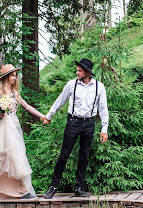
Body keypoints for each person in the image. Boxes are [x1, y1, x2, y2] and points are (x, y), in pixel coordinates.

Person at [0, 64, 46, 200]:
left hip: (13, 126)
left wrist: (42, 115)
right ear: (6, 77)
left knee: (16, 157)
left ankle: (22, 191)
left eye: (15, 75)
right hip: (1, 127)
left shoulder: (14, 92)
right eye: (12, 75)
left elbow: (26, 105)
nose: (14, 78)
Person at [41, 58, 109, 199]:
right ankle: (53, 187)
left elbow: (103, 108)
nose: (77, 73)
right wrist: (49, 116)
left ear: (87, 72)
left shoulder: (99, 86)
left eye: (79, 70)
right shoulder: (71, 85)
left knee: (84, 156)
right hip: (73, 122)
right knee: (64, 154)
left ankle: (78, 187)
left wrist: (104, 129)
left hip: (89, 124)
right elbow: (60, 100)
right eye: (77, 70)